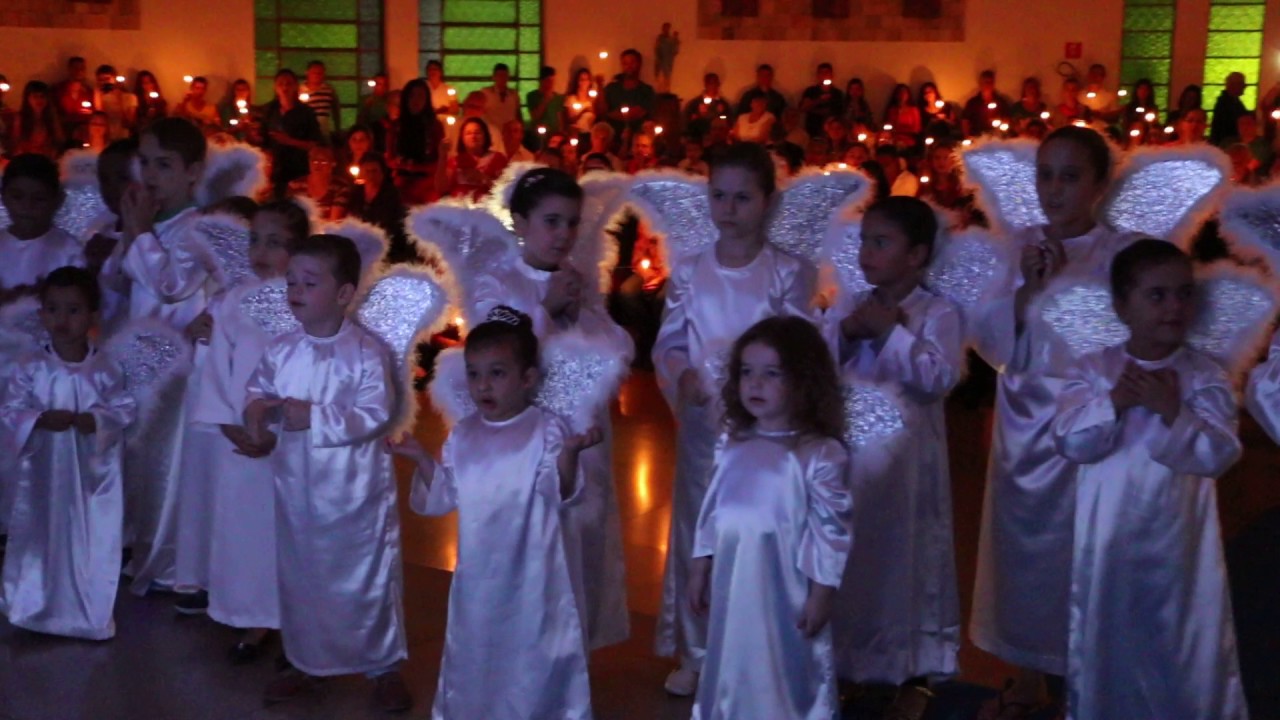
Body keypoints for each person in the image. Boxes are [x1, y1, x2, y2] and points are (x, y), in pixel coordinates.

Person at [968, 125, 1135, 718]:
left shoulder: (1120, 253)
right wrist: (1026, 292)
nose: (1054, 189)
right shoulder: (1018, 246)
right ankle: (1026, 672)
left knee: (1083, 550)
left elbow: (1127, 336)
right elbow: (991, 339)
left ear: (1098, 185)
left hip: (1089, 418)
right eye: (1045, 175)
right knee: (1026, 551)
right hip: (1024, 419)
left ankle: (1084, 677)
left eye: (1070, 177)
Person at [1054, 239, 1247, 718]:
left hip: (1180, 547)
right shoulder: (1095, 371)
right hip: (1111, 544)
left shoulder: (1204, 377)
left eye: (1184, 294)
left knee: (1182, 644)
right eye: (1157, 295)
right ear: (1122, 305)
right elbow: (1070, 442)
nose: (1174, 307)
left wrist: (1173, 412)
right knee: (1111, 637)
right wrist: (1113, 403)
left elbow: (1219, 453)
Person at [652, 142, 817, 696]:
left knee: (764, 530)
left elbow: (798, 341)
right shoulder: (692, 270)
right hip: (705, 427)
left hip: (765, 428)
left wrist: (769, 387)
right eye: (718, 195)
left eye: (742, 197)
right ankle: (697, 650)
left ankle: (764, 641)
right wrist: (682, 376)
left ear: (767, 202)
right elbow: (670, 342)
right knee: (699, 528)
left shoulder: (787, 272)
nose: (728, 208)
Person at [391, 306, 597, 717]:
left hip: (533, 572)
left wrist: (570, 454)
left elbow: (557, 490)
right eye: (474, 373)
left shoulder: (545, 428)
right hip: (479, 575)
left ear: (527, 379)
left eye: (497, 373)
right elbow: (445, 494)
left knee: (533, 649)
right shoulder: (464, 434)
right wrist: (421, 458)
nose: (483, 385)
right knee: (478, 647)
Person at [466, 167, 634, 649]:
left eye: (571, 223)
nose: (563, 234)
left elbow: (613, 345)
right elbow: (494, 355)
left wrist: (578, 311)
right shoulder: (496, 282)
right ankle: (525, 654)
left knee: (577, 538)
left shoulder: (576, 279)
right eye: (551, 221)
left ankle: (570, 656)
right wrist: (544, 306)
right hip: (525, 438)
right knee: (534, 543)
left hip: (580, 431)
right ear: (520, 221)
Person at [243, 234, 410, 712]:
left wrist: (316, 416)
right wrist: (256, 411)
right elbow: (260, 389)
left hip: (355, 493)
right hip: (297, 488)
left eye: (309, 282)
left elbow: (377, 411)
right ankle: (306, 661)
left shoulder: (364, 352)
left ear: (342, 294)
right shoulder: (282, 349)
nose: (294, 289)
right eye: (291, 281)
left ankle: (382, 666)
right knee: (303, 576)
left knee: (366, 577)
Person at [827, 197, 963, 715]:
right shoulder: (850, 304)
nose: (867, 252)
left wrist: (889, 334)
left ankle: (913, 672)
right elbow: (818, 359)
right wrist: (846, 333)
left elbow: (937, 378)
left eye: (881, 242)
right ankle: (851, 664)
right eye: (864, 240)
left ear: (917, 254)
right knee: (854, 556)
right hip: (854, 456)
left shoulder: (938, 311)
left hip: (909, 462)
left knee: (905, 561)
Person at [688, 315, 852, 719]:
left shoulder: (818, 454)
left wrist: (822, 591)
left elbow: (831, 529)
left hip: (785, 588)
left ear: (803, 381)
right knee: (732, 653)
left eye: (771, 373)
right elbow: (712, 508)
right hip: (734, 579)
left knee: (782, 662)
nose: (755, 384)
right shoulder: (732, 442)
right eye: (746, 372)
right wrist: (700, 563)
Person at [176, 200, 308, 664]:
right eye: (255, 239)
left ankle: (295, 620)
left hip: (286, 440)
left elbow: (309, 371)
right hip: (239, 439)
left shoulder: (305, 304)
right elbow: (217, 368)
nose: (261, 251)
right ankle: (252, 615)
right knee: (244, 531)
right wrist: (231, 425)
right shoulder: (233, 300)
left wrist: (277, 430)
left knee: (287, 531)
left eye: (276, 243)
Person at [99, 118, 217, 594]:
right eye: (145, 163)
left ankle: (172, 565)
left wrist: (142, 231)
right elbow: (113, 280)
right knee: (140, 454)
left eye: (164, 165)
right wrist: (131, 232)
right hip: (141, 360)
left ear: (192, 172)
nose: (150, 175)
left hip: (182, 364)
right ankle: (139, 543)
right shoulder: (149, 222)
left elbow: (172, 285)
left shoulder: (199, 228)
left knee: (171, 463)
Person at [0, 266, 136, 640]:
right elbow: (10, 411)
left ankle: (87, 611)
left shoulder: (104, 369)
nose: (63, 319)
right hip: (44, 474)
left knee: (88, 538)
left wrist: (95, 420)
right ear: (42, 314)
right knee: (41, 537)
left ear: (92, 316)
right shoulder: (31, 367)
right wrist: (39, 418)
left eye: (74, 310)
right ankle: (32, 604)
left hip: (90, 476)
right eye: (54, 309)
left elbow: (123, 408)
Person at [0, 154, 84, 305]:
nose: (27, 206)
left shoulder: (69, 251)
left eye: (38, 199)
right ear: (3, 197)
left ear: (57, 200)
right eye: (17, 197)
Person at [262, 69, 321, 198]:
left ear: (295, 86)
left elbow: (314, 144)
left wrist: (289, 141)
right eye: (281, 84)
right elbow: (263, 141)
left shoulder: (306, 113)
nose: (285, 87)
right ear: (275, 87)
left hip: (298, 170)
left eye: (288, 83)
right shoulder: (268, 111)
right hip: (274, 171)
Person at [345, 152, 411, 262]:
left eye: (375, 171)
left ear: (382, 173)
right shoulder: (356, 193)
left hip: (387, 247)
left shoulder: (391, 194)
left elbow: (388, 226)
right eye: (367, 171)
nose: (371, 175)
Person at [390, 79, 444, 205]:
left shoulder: (434, 126)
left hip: (426, 184)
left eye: (421, 96)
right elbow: (389, 158)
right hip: (401, 184)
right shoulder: (396, 126)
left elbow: (439, 160)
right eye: (412, 95)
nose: (416, 100)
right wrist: (401, 166)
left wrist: (414, 167)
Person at [437, 117, 508, 201]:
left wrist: (484, 179)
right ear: (462, 138)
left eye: (477, 133)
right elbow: (441, 188)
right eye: (468, 133)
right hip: (458, 207)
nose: (473, 136)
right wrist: (442, 156)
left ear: (485, 135)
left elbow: (506, 191)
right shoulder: (455, 161)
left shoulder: (498, 159)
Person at [603, 49, 656, 137]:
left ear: (639, 64)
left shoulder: (646, 90)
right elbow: (602, 111)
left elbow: (636, 113)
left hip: (637, 136)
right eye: (625, 63)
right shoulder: (611, 88)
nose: (629, 66)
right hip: (612, 136)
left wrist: (612, 114)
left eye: (632, 62)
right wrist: (599, 85)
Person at [9, 82, 65, 159]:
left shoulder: (52, 118)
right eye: (35, 97)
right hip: (26, 159)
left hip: (47, 159)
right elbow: (16, 143)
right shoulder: (21, 118)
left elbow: (58, 141)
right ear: (28, 99)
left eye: (42, 96)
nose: (39, 100)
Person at [799, 63, 845, 138]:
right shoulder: (810, 91)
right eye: (821, 73)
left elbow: (840, 113)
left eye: (827, 72)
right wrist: (818, 100)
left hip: (832, 134)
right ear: (817, 75)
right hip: (813, 131)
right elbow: (802, 108)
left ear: (831, 75)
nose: (824, 75)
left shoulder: (838, 93)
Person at [53, 57, 94, 142]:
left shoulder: (89, 92)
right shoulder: (57, 90)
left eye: (82, 68)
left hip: (83, 136)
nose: (79, 71)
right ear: (69, 69)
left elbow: (93, 115)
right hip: (62, 134)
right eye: (76, 68)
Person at [92, 64, 137, 141]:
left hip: (123, 140)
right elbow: (99, 120)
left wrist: (119, 100)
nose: (104, 83)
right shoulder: (98, 97)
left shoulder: (130, 97)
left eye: (107, 79)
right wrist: (97, 97)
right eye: (100, 80)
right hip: (105, 140)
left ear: (114, 79)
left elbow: (129, 124)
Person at [961, 70, 1010, 137]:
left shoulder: (1001, 102)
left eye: (991, 82)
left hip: (996, 137)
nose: (988, 85)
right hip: (977, 137)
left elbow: (1006, 119)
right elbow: (965, 121)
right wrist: (967, 136)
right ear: (980, 83)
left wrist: (1000, 125)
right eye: (986, 82)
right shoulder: (972, 103)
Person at [684, 73, 733, 139]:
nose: (712, 86)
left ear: (718, 84)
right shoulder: (695, 103)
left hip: (718, 138)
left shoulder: (723, 104)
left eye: (715, 83)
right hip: (700, 136)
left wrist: (721, 116)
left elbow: (729, 121)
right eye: (710, 83)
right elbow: (689, 120)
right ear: (705, 84)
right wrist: (699, 116)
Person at [300, 60, 341, 140]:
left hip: (324, 129)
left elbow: (336, 110)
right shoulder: (299, 90)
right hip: (305, 130)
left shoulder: (329, 90)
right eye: (314, 73)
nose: (317, 75)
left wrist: (337, 128)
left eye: (320, 73)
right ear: (307, 73)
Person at [1210, 72, 1250, 146]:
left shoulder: (1233, 102)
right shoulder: (1224, 104)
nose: (1245, 86)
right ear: (1232, 85)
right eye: (1241, 83)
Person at [481, 63, 522, 131]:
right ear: (494, 77)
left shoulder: (514, 94)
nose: (502, 78)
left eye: (505, 75)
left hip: (509, 133)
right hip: (491, 132)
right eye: (500, 75)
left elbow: (518, 113)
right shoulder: (486, 93)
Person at [526, 66, 565, 135]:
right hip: (537, 133)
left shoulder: (558, 98)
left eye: (553, 81)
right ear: (542, 81)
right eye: (548, 80)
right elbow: (534, 116)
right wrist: (545, 100)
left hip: (554, 133)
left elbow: (559, 118)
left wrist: (560, 132)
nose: (551, 84)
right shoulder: (532, 96)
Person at [564, 68, 600, 140]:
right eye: (582, 79)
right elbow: (570, 120)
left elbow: (597, 117)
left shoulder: (592, 99)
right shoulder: (571, 99)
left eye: (587, 79)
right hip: (576, 134)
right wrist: (583, 111)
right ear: (577, 81)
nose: (585, 82)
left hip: (590, 135)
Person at [884, 83, 922, 147]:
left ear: (908, 95)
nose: (902, 95)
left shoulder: (914, 110)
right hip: (894, 140)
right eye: (899, 93)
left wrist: (901, 130)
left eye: (904, 92)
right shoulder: (892, 110)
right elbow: (890, 128)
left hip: (909, 141)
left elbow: (916, 129)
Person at [357, 73, 391, 139]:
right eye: (378, 84)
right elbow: (359, 121)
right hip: (368, 133)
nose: (381, 87)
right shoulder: (365, 99)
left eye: (384, 84)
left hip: (384, 135)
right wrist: (366, 107)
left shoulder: (390, 99)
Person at [654, 22, 680, 94]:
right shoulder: (660, 39)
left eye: (667, 28)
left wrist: (675, 39)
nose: (666, 30)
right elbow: (657, 49)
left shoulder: (670, 40)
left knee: (667, 81)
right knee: (660, 81)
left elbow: (674, 50)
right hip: (660, 64)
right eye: (665, 28)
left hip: (667, 64)